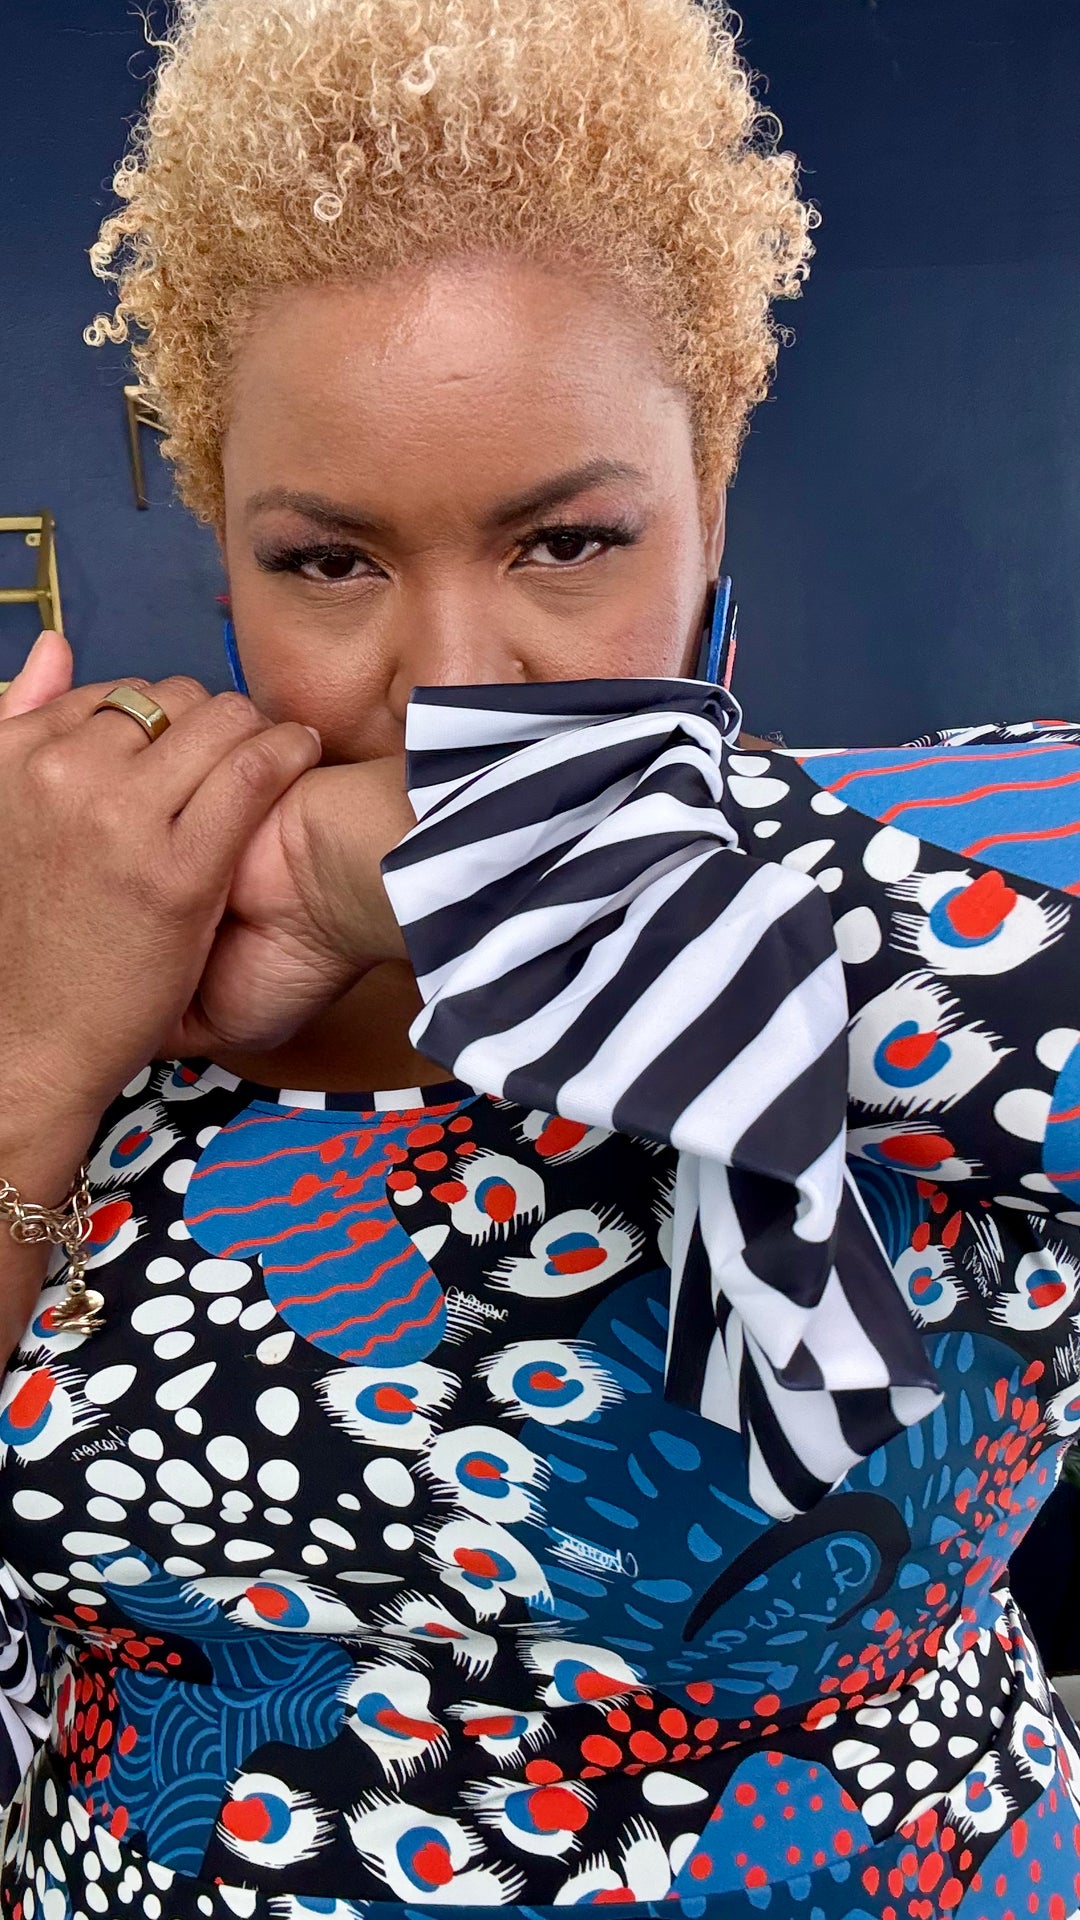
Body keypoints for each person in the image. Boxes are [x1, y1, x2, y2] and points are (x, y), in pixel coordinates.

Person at [2, 1, 1080, 1916]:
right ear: (227, 552)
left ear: (711, 501)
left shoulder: (937, 887)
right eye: (328, 562)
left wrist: (388, 868)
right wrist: (29, 1067)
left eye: (566, 543)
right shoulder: (85, 938)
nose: (451, 685)